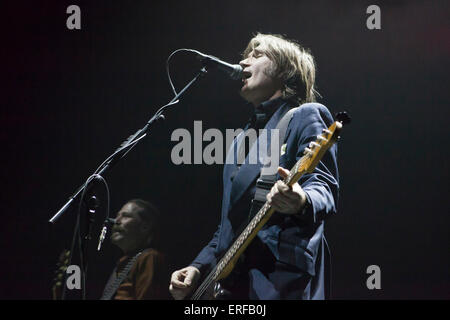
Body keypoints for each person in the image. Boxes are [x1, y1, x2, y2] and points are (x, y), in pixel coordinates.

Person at [170, 33, 339, 300]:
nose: (244, 61)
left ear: (286, 69)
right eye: (246, 54)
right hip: (230, 285)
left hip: (276, 280)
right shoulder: (241, 140)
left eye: (257, 54)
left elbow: (324, 185)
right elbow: (228, 225)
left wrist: (301, 200)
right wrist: (197, 266)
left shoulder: (306, 116)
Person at [101, 199, 170, 300]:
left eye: (126, 216)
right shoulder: (124, 263)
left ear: (145, 227)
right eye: (117, 216)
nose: (116, 221)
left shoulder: (149, 257)